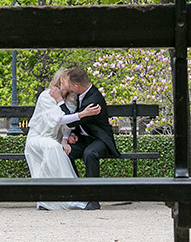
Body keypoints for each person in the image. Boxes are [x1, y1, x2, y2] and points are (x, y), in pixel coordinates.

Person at [25, 68, 102, 211]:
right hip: (38, 138)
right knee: (53, 147)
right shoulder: (46, 96)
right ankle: (57, 198)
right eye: (69, 79)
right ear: (62, 80)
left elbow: (68, 125)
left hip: (55, 139)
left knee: (57, 148)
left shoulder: (71, 99)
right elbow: (60, 119)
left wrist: (65, 139)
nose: (73, 82)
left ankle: (56, 197)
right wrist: (82, 114)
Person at [62, 66, 120, 210]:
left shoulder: (93, 100)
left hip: (100, 140)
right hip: (85, 139)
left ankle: (93, 199)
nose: (68, 87)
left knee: (90, 153)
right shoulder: (81, 94)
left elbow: (71, 121)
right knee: (65, 153)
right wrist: (73, 135)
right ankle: (77, 191)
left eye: (70, 85)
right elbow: (79, 122)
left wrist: (59, 102)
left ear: (76, 86)